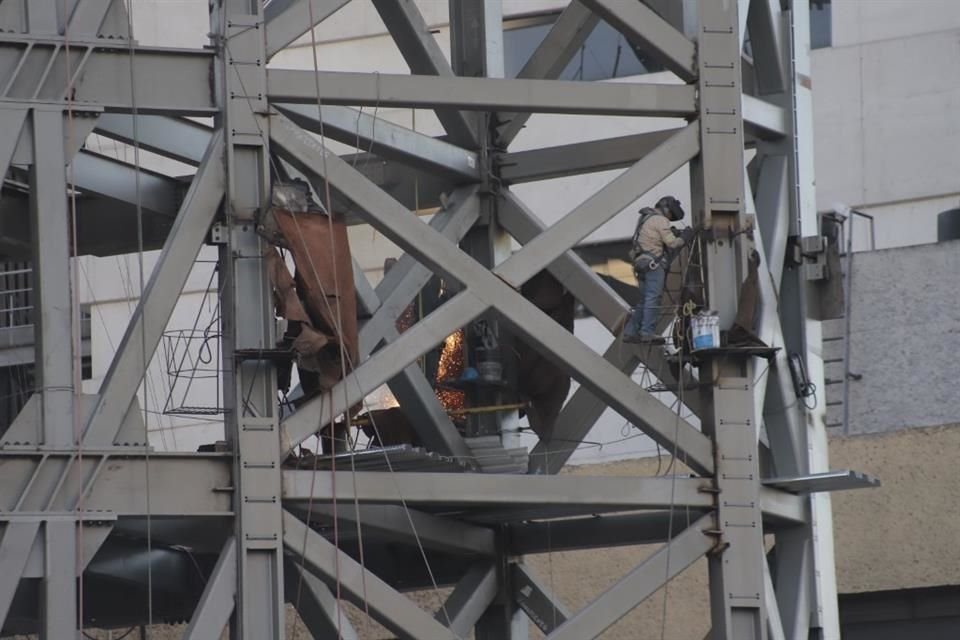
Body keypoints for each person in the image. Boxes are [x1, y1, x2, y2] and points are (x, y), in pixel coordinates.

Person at [622, 196, 695, 343]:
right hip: (654, 265)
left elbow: (651, 238)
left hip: (641, 264)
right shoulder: (660, 220)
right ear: (666, 208)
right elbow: (672, 244)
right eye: (670, 214)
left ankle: (630, 331)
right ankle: (647, 332)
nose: (669, 217)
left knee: (644, 300)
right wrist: (686, 237)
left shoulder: (645, 218)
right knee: (653, 298)